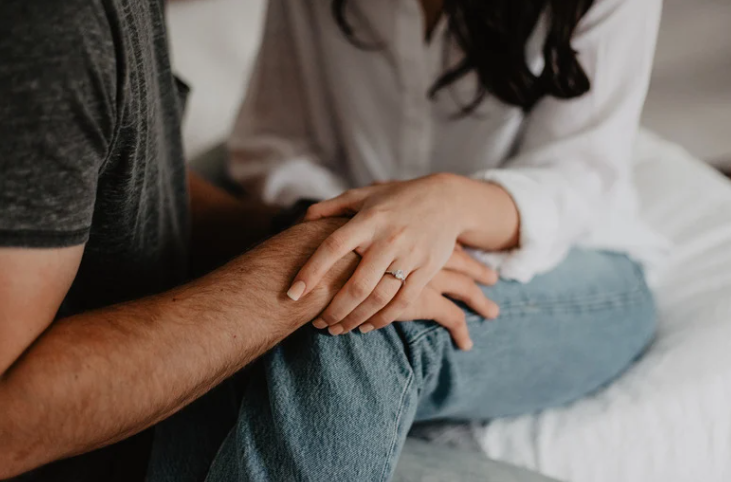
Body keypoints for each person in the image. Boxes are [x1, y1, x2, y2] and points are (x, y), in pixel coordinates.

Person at [166, 0, 665, 480]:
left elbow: (579, 179)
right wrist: (362, 232)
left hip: (565, 252)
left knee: (362, 316)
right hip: (335, 206)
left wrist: (445, 204)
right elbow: (275, 140)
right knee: (234, 295)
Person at [0, 0, 492, 480]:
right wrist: (308, 264)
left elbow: (121, 176)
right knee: (360, 321)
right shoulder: (50, 26)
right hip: (95, 444)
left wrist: (301, 229)